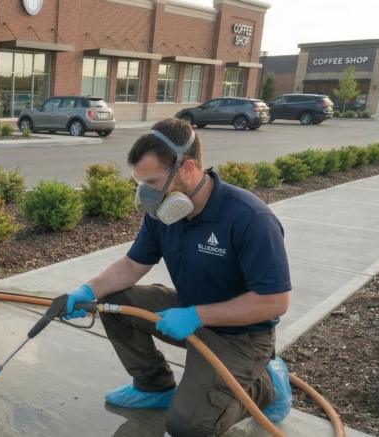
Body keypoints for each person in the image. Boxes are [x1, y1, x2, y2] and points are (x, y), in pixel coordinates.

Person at [63, 118, 293, 437]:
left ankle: (264, 387)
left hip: (242, 337)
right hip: (189, 311)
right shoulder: (165, 213)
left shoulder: (249, 218)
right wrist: (87, 290)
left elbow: (275, 302)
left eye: (153, 182)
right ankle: (154, 386)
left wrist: (197, 315)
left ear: (186, 168)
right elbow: (132, 265)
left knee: (187, 427)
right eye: (141, 183)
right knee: (113, 301)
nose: (146, 194)